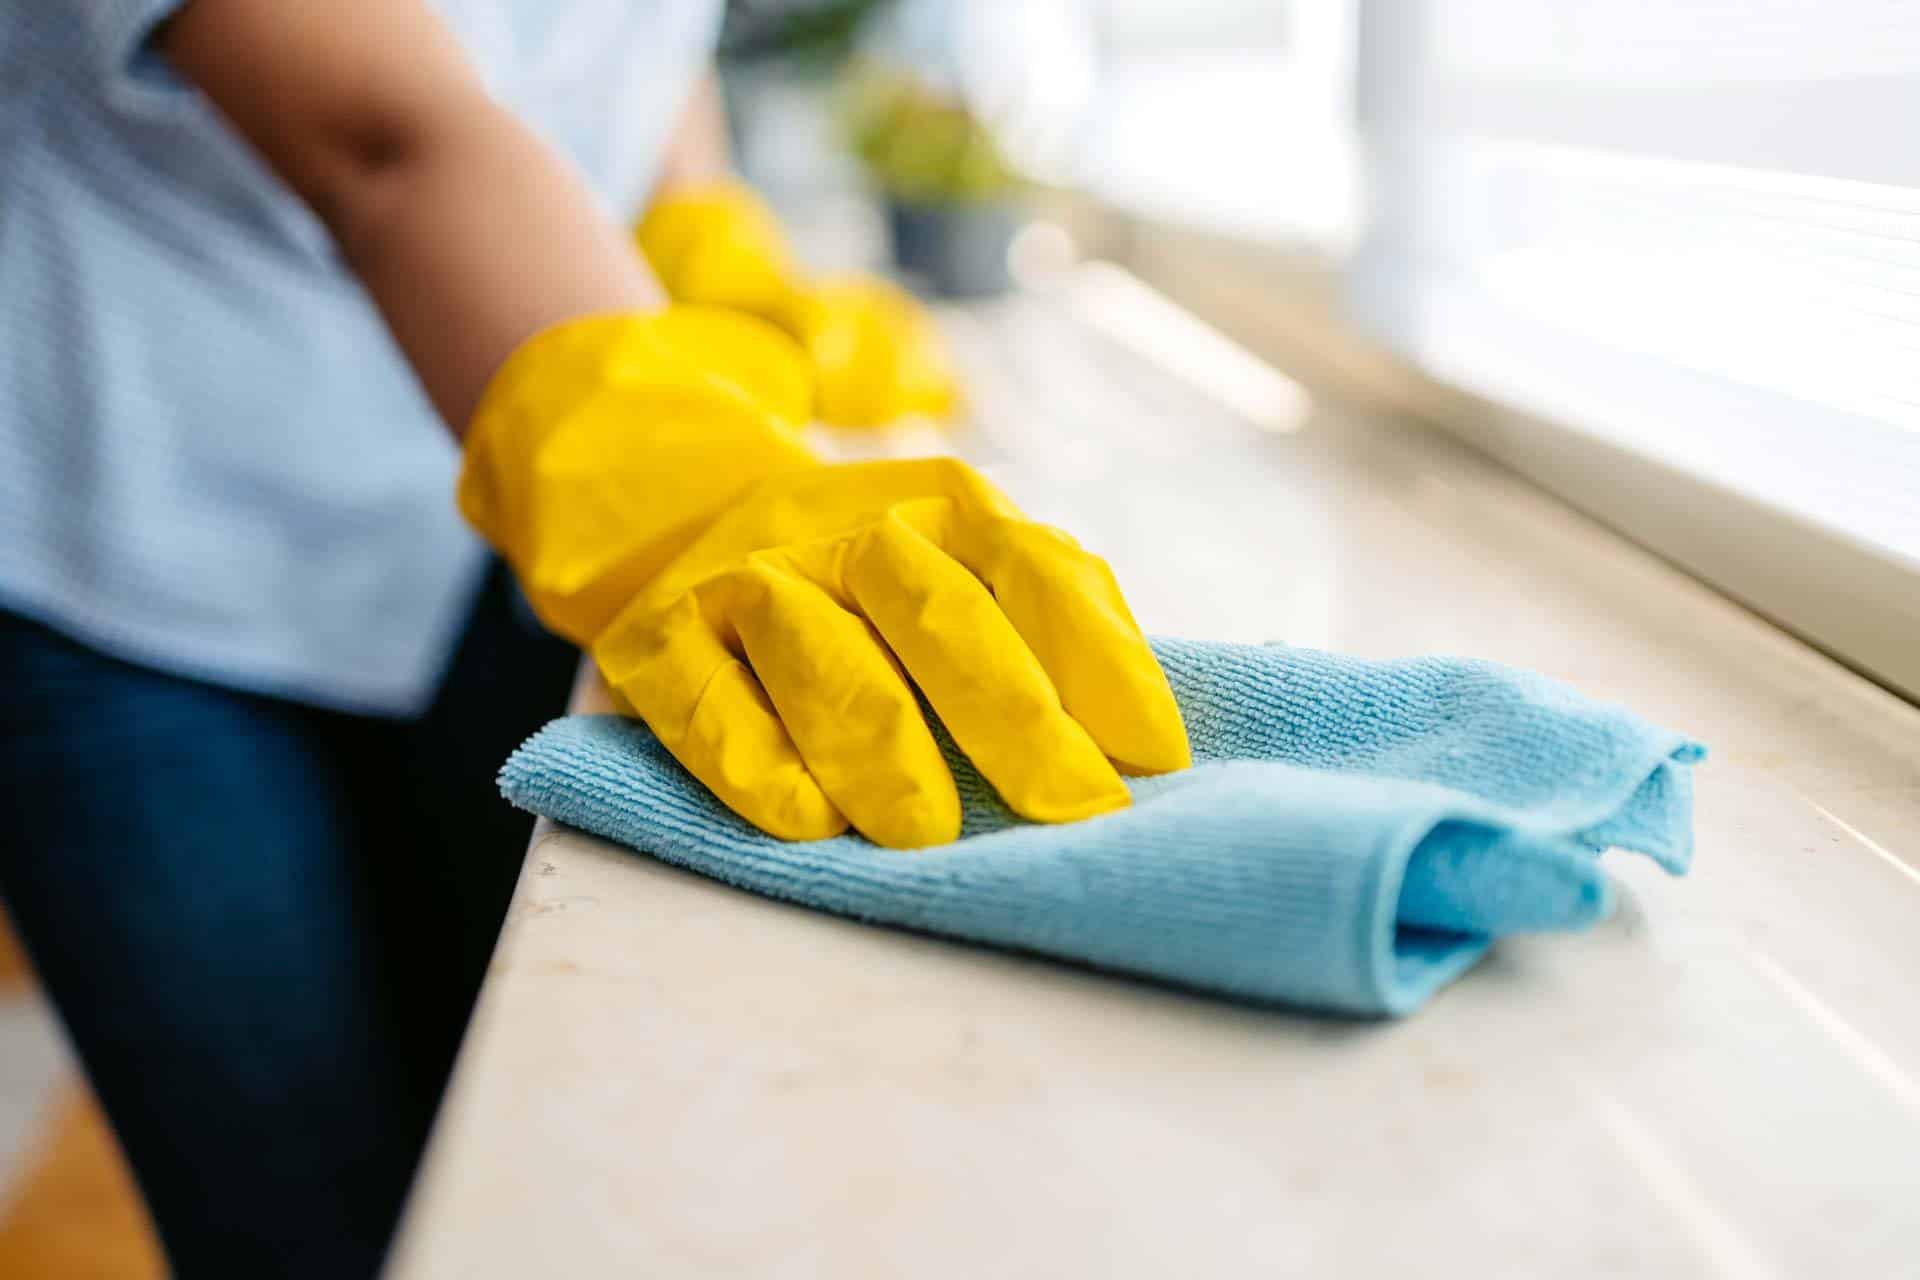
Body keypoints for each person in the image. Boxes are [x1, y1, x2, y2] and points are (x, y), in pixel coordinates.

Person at [0, 1, 1189, 1274]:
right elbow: (377, 136)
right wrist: (683, 480)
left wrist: (700, 228)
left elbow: (626, 44)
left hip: (460, 507)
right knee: (308, 1202)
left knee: (516, 1129)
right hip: (130, 541)